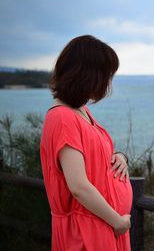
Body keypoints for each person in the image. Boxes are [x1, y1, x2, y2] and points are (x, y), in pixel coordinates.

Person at [40, 35, 133, 251]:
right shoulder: (62, 118)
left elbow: (94, 154)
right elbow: (78, 186)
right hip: (85, 234)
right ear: (88, 75)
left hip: (101, 225)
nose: (108, 83)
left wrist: (119, 157)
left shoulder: (81, 111)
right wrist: (117, 221)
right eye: (106, 75)